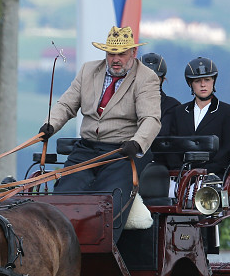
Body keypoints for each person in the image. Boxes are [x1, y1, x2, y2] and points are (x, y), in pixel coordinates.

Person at [38, 25, 161, 242]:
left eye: (121, 54)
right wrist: (50, 125)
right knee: (62, 199)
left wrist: (137, 143)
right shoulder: (88, 71)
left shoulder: (146, 78)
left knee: (107, 205)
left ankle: (102, 256)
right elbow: (66, 105)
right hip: (86, 150)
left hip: (123, 153)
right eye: (111, 53)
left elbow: (151, 119)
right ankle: (61, 251)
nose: (116, 59)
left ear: (133, 53)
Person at [168, 56, 230, 176]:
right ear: (190, 84)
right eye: (197, 81)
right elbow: (172, 146)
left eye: (207, 80)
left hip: (214, 175)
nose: (203, 85)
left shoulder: (228, 112)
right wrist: (180, 170)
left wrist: (204, 171)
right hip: (182, 174)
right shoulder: (179, 112)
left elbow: (227, 149)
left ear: (213, 81)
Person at [140, 52, 180, 135]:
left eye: (154, 78)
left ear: (163, 79)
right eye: (145, 77)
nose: (149, 82)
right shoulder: (127, 102)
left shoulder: (172, 106)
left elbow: (162, 134)